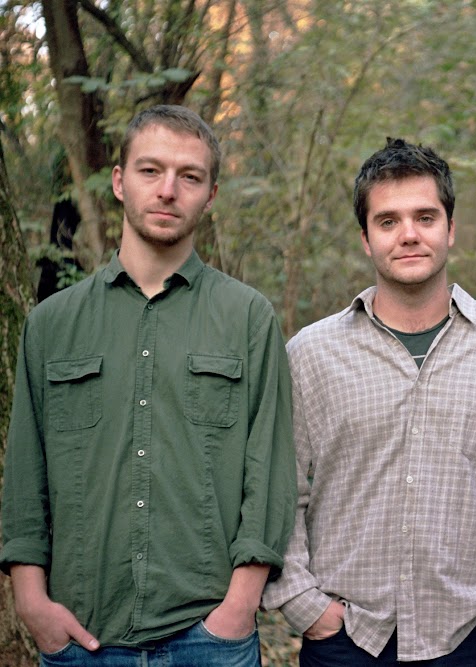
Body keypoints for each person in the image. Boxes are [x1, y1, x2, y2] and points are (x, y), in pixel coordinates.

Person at [0, 104, 297, 666]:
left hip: (209, 639)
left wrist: (238, 609)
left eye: (190, 177)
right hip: (81, 638)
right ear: (119, 181)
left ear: (210, 195)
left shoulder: (248, 318)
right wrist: (32, 601)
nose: (168, 190)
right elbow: (24, 474)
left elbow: (270, 472)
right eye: (150, 170)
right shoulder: (52, 325)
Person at [262, 137, 476, 666]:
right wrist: (306, 607)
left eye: (425, 217)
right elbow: (283, 492)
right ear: (366, 239)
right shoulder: (310, 354)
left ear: (451, 228)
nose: (409, 234)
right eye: (388, 221)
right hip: (348, 640)